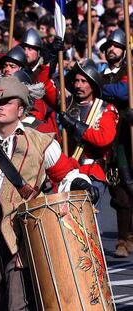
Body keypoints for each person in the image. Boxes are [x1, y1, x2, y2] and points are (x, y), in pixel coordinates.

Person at [0, 76, 99, 310]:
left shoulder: (41, 143)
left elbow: (66, 173)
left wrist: (80, 184)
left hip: (25, 228)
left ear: (21, 109)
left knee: (18, 300)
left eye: (7, 102)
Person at [59, 60, 119, 231]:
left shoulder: (105, 109)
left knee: (88, 224)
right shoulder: (66, 104)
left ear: (93, 85)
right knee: (67, 224)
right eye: (76, 81)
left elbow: (103, 138)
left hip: (91, 172)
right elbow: (46, 91)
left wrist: (74, 125)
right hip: (66, 171)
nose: (78, 85)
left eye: (83, 81)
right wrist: (51, 59)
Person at [99, 29, 133, 257]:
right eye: (108, 46)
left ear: (123, 49)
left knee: (130, 186)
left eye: (116, 45)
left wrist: (102, 89)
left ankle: (126, 236)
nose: (111, 49)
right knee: (118, 188)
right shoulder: (101, 74)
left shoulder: (128, 70)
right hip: (111, 140)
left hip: (129, 137)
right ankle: (124, 237)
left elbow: (124, 92)